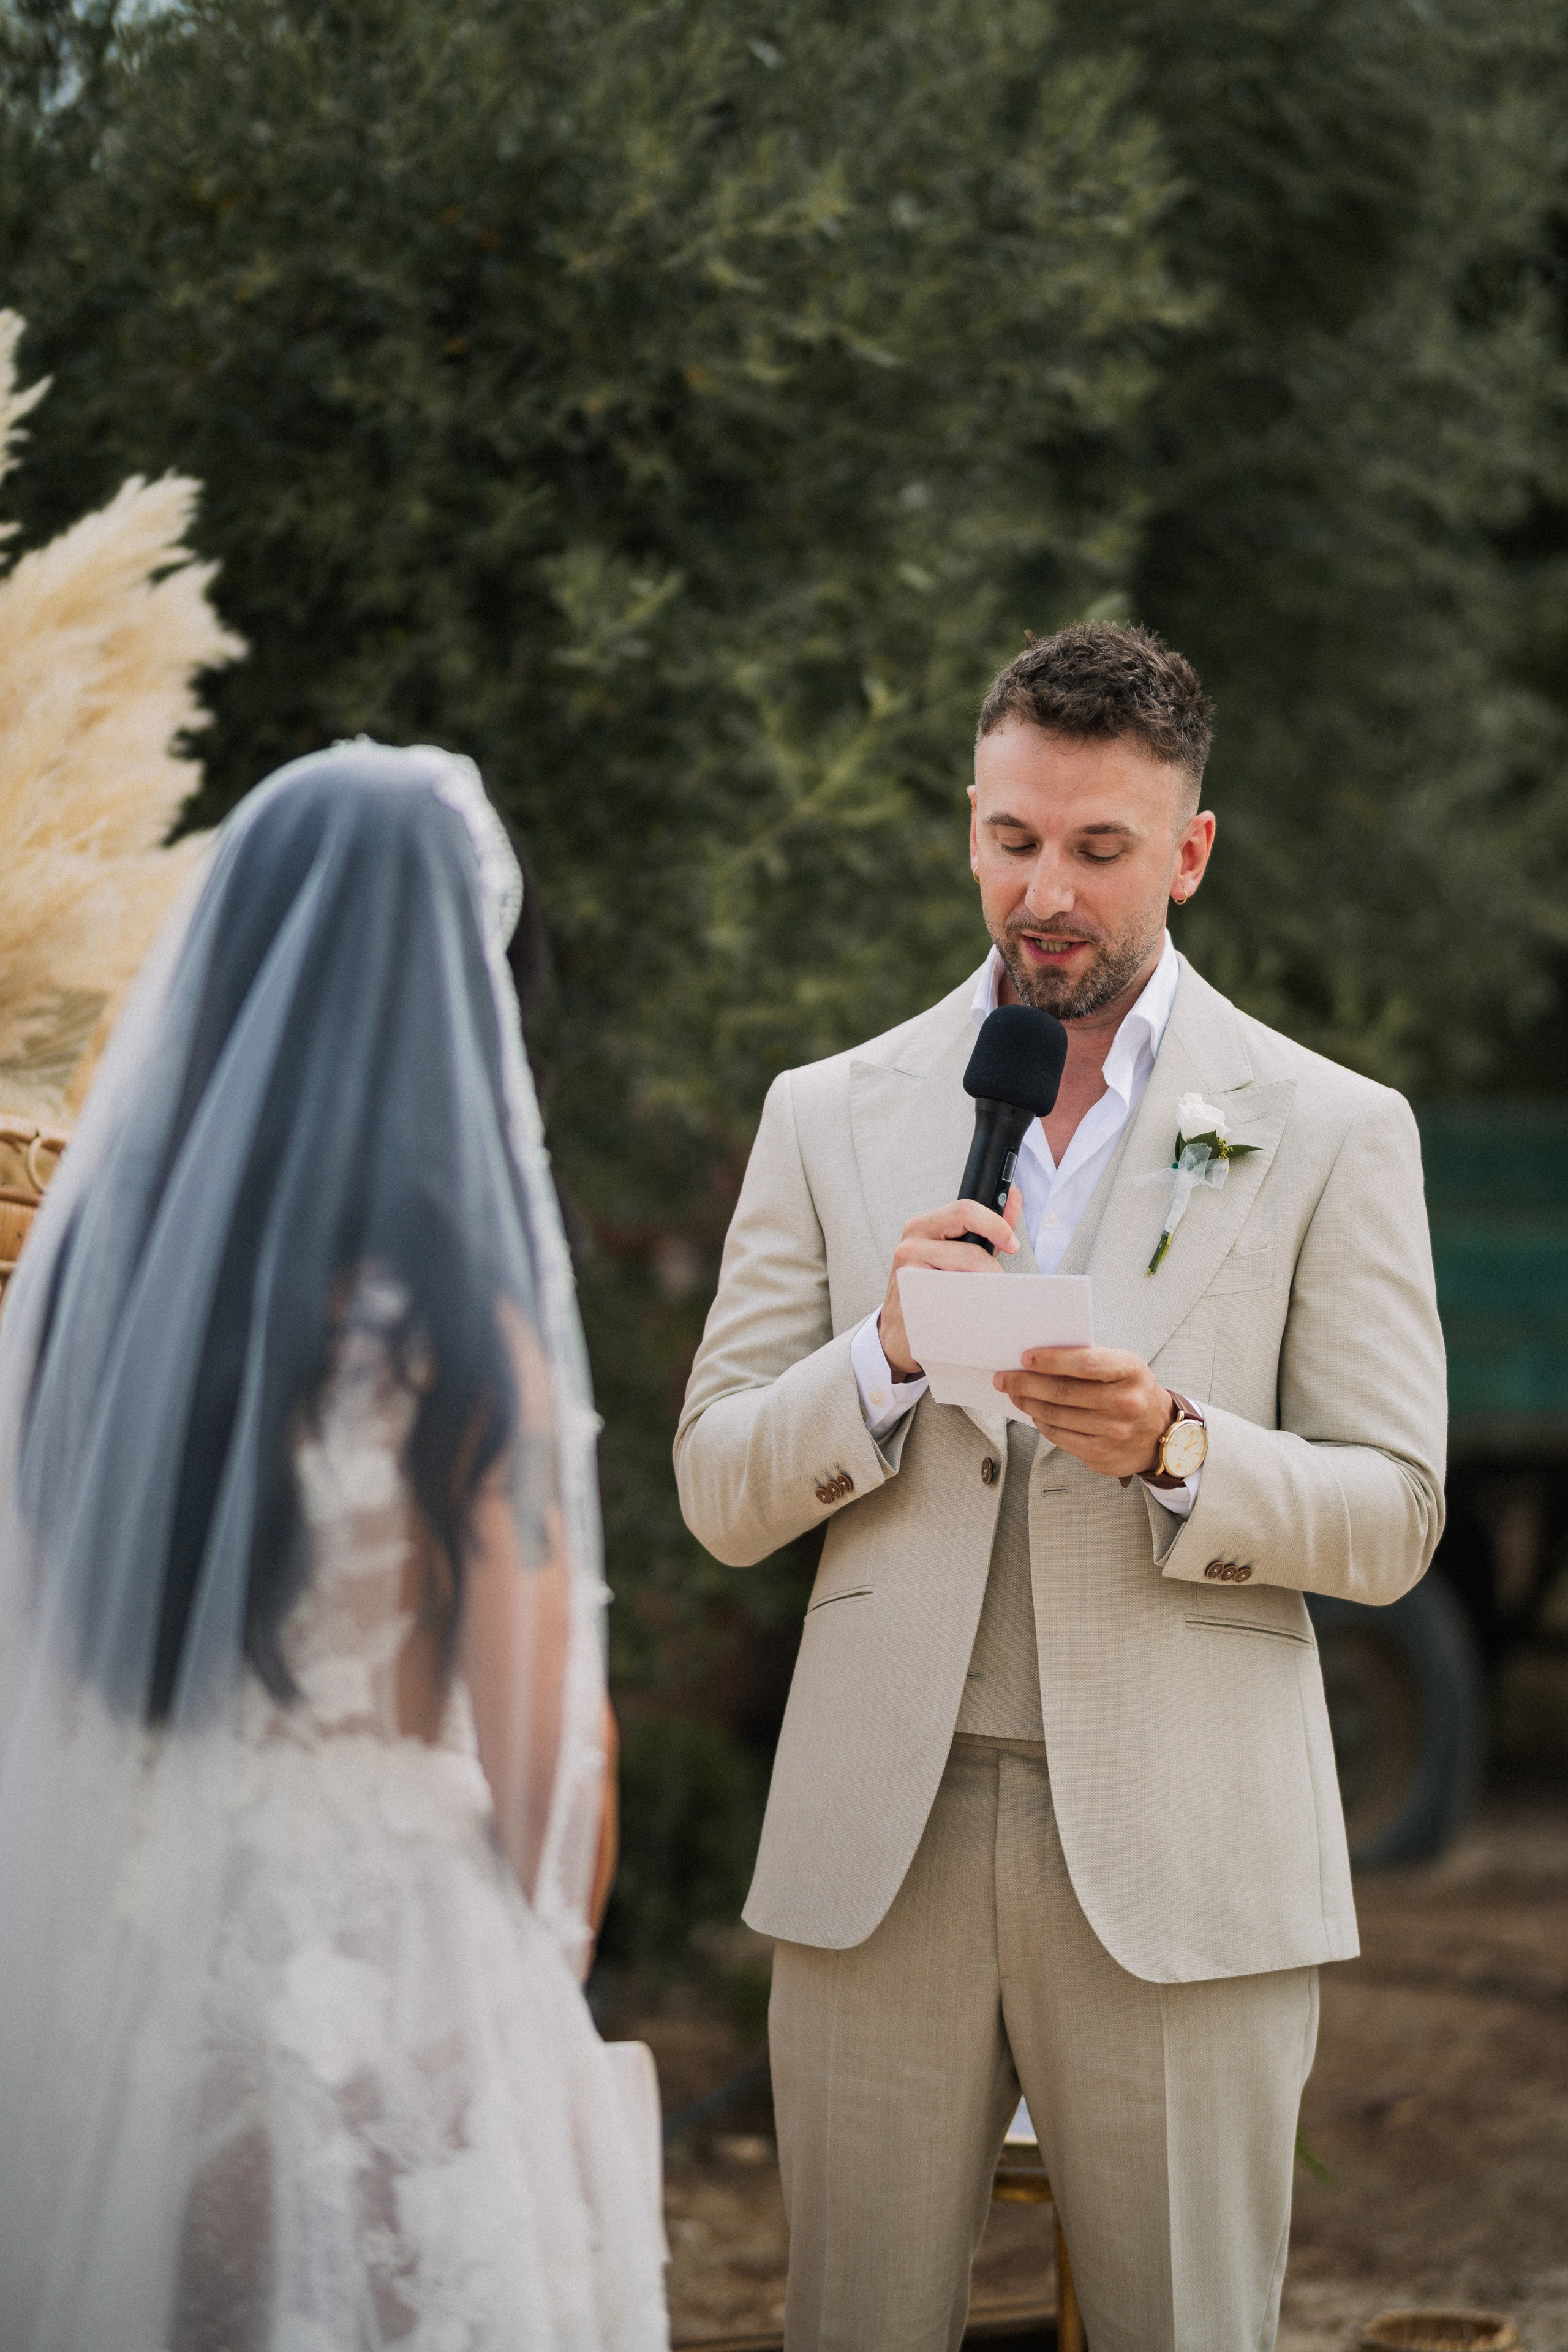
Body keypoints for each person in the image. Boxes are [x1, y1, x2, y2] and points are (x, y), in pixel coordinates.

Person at [675, 624, 1447, 2352]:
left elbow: (1396, 1513)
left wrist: (1178, 1444)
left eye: (1100, 849)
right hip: (882, 1844)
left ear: (1188, 851)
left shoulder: (1329, 1128)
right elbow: (719, 1491)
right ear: (969, 823)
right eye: (1016, 839)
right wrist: (877, 1352)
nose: (1048, 891)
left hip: (1190, 1853)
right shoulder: (828, 1112)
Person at [0, 743, 669, 2352]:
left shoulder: (80, 1306)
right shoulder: (449, 1332)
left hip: (119, 1967)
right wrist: (539, 1992)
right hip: (389, 1984)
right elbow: (545, 1770)